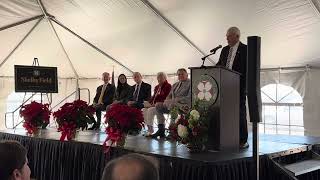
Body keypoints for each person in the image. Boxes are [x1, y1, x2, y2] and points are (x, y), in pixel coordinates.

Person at [216, 26, 248, 149]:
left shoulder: (245, 49)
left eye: (229, 36)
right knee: (226, 113)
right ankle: (228, 137)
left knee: (240, 113)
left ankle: (242, 140)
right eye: (226, 36)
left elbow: (247, 69)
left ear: (237, 36)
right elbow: (220, 64)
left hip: (238, 86)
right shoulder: (224, 50)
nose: (226, 38)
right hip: (224, 86)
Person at [152, 68, 191, 138]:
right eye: (179, 74)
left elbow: (189, 98)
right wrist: (168, 101)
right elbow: (168, 96)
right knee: (157, 105)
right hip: (171, 105)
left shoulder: (191, 83)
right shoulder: (175, 84)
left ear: (187, 75)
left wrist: (175, 100)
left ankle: (172, 131)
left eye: (182, 74)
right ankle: (161, 129)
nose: (180, 75)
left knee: (173, 106)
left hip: (183, 106)